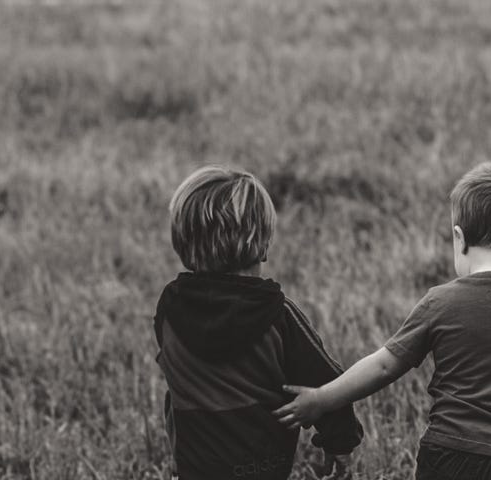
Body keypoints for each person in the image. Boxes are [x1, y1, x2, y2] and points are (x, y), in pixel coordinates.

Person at [275, 162, 491, 479]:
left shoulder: (440, 302)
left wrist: (321, 399)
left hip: (449, 455)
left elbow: (384, 366)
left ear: (460, 239)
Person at [154, 165, 362, 480]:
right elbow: (327, 383)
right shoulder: (278, 316)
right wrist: (340, 442)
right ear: (262, 242)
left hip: (195, 467)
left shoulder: (170, 309)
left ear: (183, 243)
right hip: (263, 468)